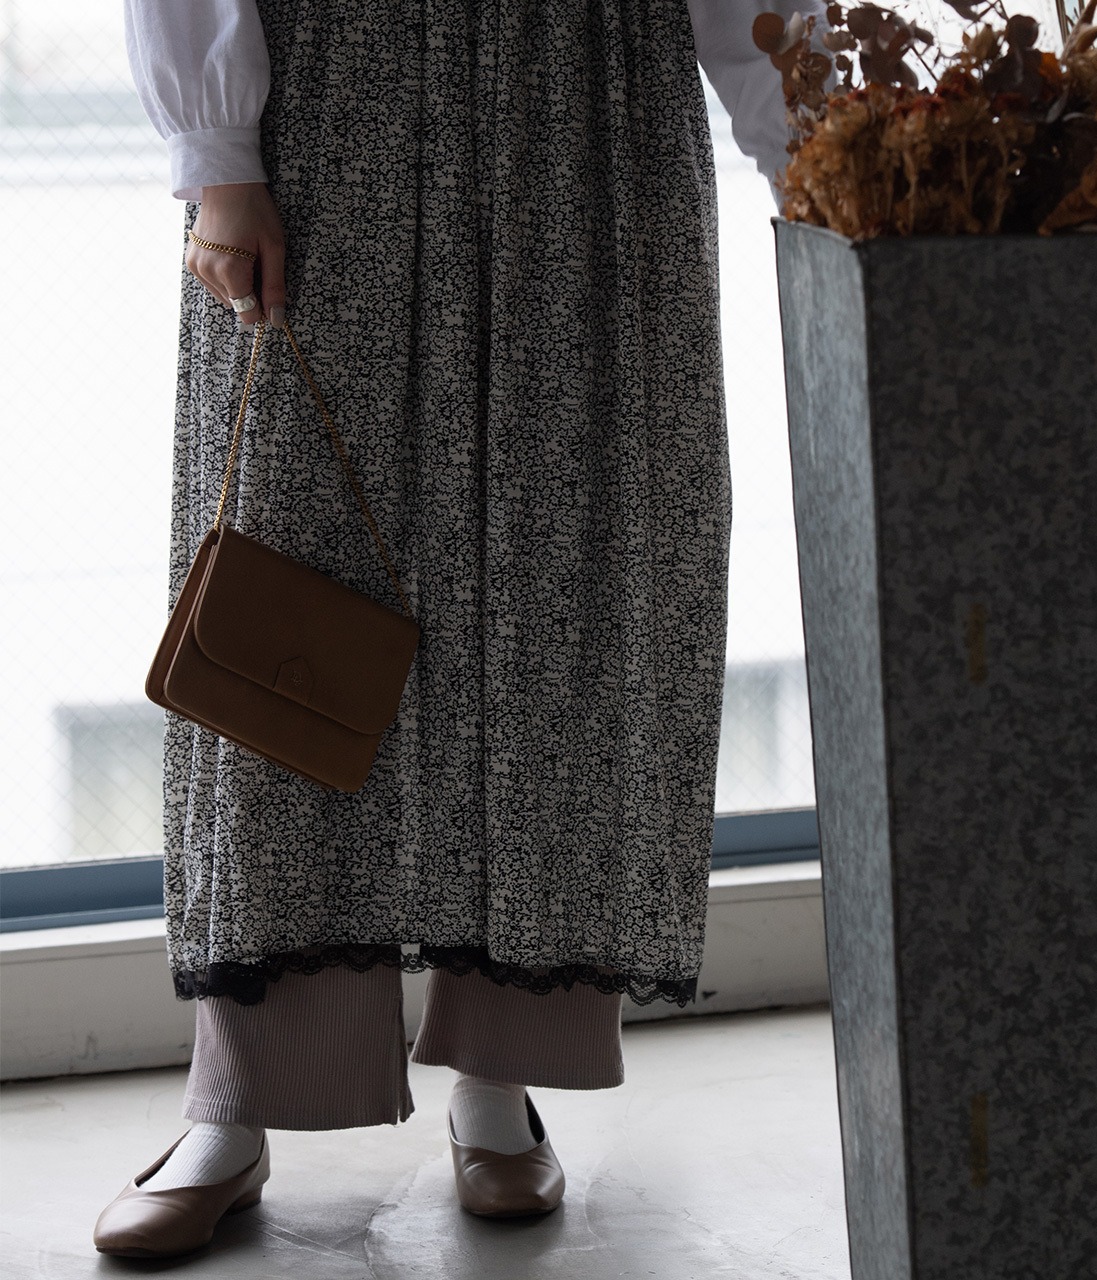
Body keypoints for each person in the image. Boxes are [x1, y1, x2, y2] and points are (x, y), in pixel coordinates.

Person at [93, 0, 827, 1259]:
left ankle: (500, 1075)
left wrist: (815, 143)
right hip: (334, 93)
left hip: (587, 105)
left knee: (562, 581)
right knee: (284, 584)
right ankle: (238, 1097)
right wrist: (216, 152)